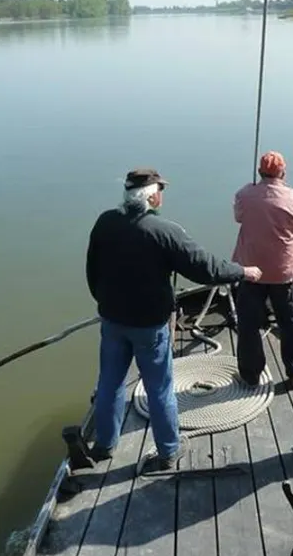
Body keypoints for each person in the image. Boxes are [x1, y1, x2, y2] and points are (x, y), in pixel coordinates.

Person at [86, 168, 262, 471]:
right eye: (160, 190)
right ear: (152, 196)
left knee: (110, 383)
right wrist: (243, 271)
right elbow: (205, 268)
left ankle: (104, 445)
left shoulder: (105, 222)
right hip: (150, 326)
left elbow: (92, 271)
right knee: (159, 387)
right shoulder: (163, 231)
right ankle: (169, 451)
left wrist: (104, 302)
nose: (162, 195)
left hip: (112, 321)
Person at [231, 151, 293, 389]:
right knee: (290, 321)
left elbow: (238, 217)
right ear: (283, 172)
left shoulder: (245, 194)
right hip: (284, 270)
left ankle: (250, 375)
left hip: (251, 271)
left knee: (248, 324)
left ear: (260, 172)